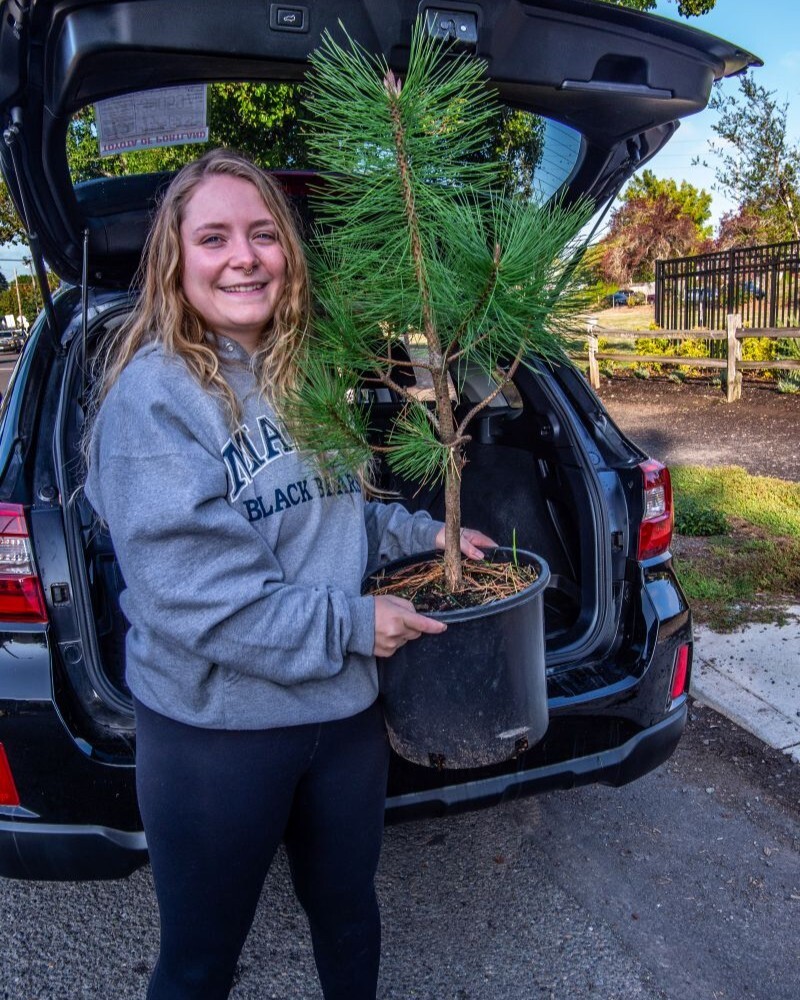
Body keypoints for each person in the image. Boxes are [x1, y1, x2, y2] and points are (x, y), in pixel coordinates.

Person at [84, 147, 494, 1000]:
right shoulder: (153, 400)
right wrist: (356, 623)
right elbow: (202, 598)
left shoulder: (307, 375)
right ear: (176, 259)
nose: (243, 256)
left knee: (348, 915)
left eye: (264, 234)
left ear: (288, 255)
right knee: (199, 962)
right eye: (214, 237)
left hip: (342, 719)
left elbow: (343, 512)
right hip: (218, 736)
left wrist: (432, 539)